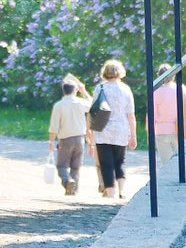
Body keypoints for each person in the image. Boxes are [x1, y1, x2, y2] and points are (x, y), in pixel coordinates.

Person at [89, 59, 136, 200]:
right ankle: (122, 191)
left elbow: (93, 111)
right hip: (121, 130)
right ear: (120, 72)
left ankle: (110, 194)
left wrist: (90, 134)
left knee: (106, 163)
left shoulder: (100, 88)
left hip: (103, 130)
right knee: (120, 161)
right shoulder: (125, 89)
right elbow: (131, 114)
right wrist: (133, 135)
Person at [148, 63, 186, 165]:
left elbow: (152, 115)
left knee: (167, 163)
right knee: (181, 161)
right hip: (180, 128)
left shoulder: (155, 92)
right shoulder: (181, 88)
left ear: (159, 76)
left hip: (161, 131)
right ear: (173, 75)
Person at [48, 74, 92, 195]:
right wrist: (84, 91)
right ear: (75, 90)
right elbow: (94, 106)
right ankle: (73, 190)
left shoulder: (59, 105)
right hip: (80, 139)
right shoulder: (81, 103)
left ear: (64, 90)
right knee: (76, 167)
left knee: (61, 166)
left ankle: (68, 181)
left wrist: (51, 141)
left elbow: (54, 126)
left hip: (65, 139)